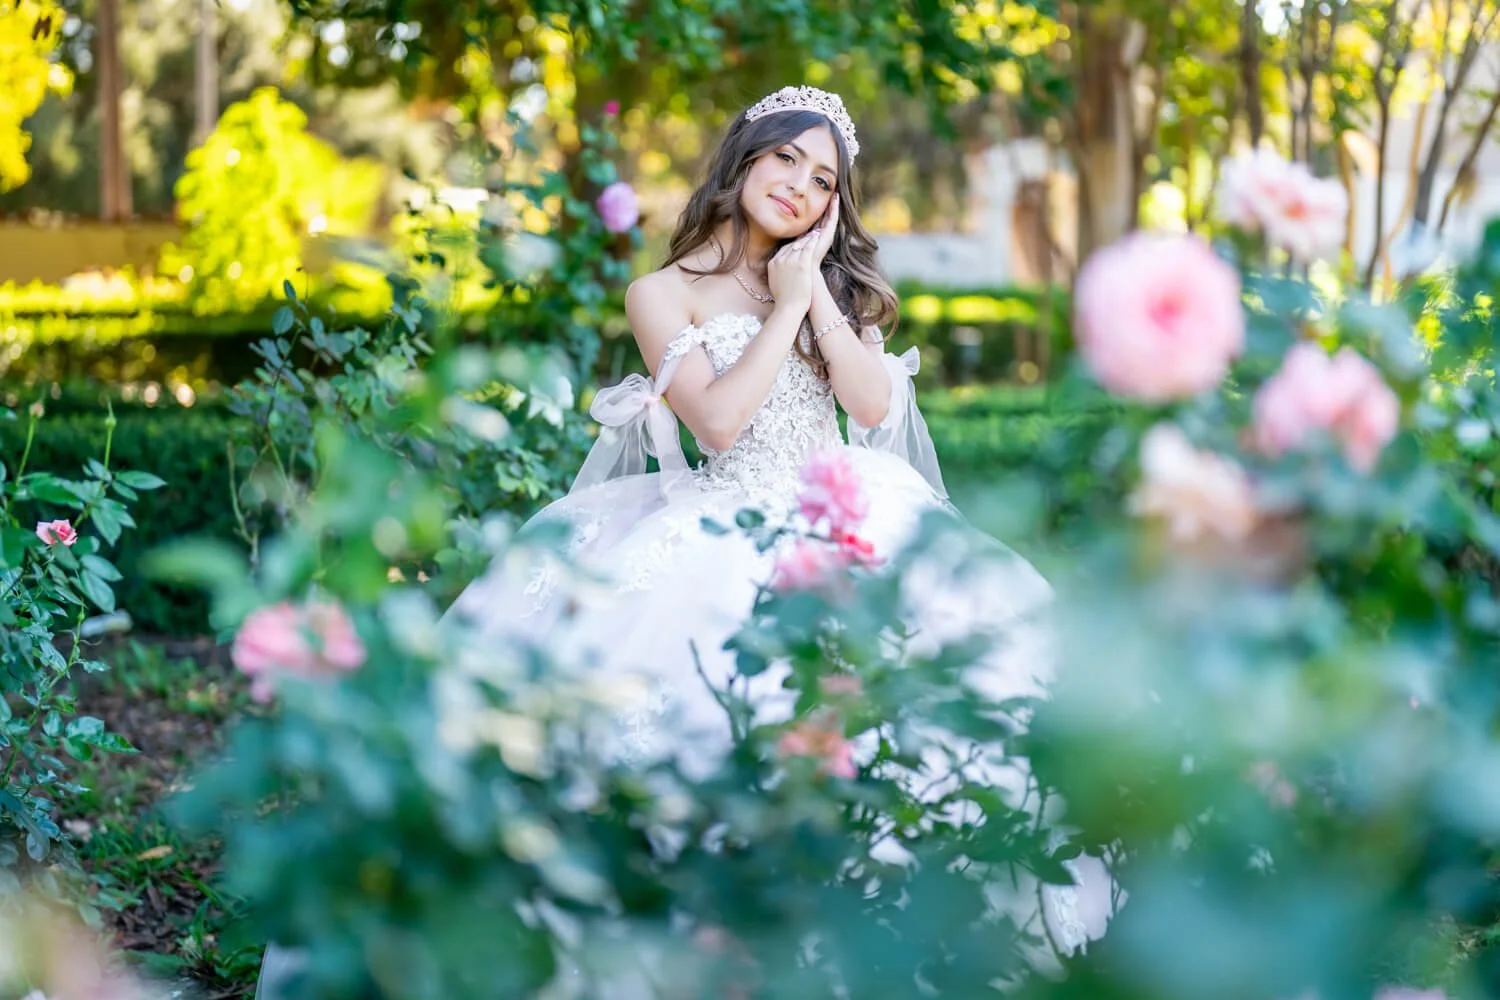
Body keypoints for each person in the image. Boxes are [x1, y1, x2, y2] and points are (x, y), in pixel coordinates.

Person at [255, 86, 1111, 999]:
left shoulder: (831, 285)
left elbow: (868, 405)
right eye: (787, 159)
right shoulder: (662, 293)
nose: (802, 188)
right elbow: (719, 427)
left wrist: (813, 294)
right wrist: (782, 310)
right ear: (745, 154)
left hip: (847, 513)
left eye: (824, 181)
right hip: (719, 517)